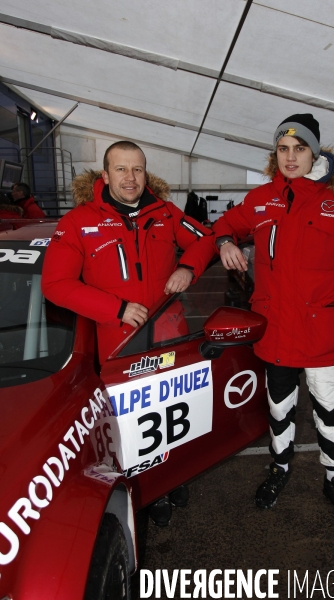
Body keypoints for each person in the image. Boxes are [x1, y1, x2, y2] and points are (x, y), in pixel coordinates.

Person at [212, 113, 334, 527]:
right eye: (283, 149)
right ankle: (280, 467)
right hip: (276, 335)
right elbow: (224, 223)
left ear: (315, 151)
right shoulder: (262, 199)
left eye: (299, 149)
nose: (290, 157)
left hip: (325, 338)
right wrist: (224, 242)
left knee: (328, 412)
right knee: (278, 409)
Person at [42, 140, 216, 525]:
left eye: (137, 169)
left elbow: (206, 239)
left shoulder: (166, 213)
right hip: (117, 347)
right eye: (121, 169)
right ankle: (145, 490)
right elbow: (55, 284)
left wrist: (188, 268)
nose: (130, 177)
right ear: (105, 175)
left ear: (146, 173)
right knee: (128, 426)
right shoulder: (78, 222)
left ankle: (170, 478)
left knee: (173, 415)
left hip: (170, 339)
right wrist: (116, 309)